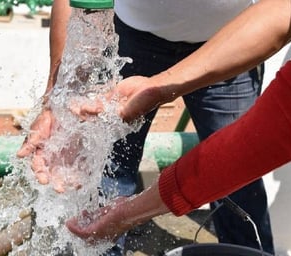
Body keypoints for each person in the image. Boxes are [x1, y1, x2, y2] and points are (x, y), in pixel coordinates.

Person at [17, 0, 275, 254]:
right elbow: (78, 4)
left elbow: (285, 12)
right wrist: (59, 98)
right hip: (133, 38)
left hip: (235, 40)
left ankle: (248, 250)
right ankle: (100, 249)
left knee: (239, 174)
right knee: (110, 167)